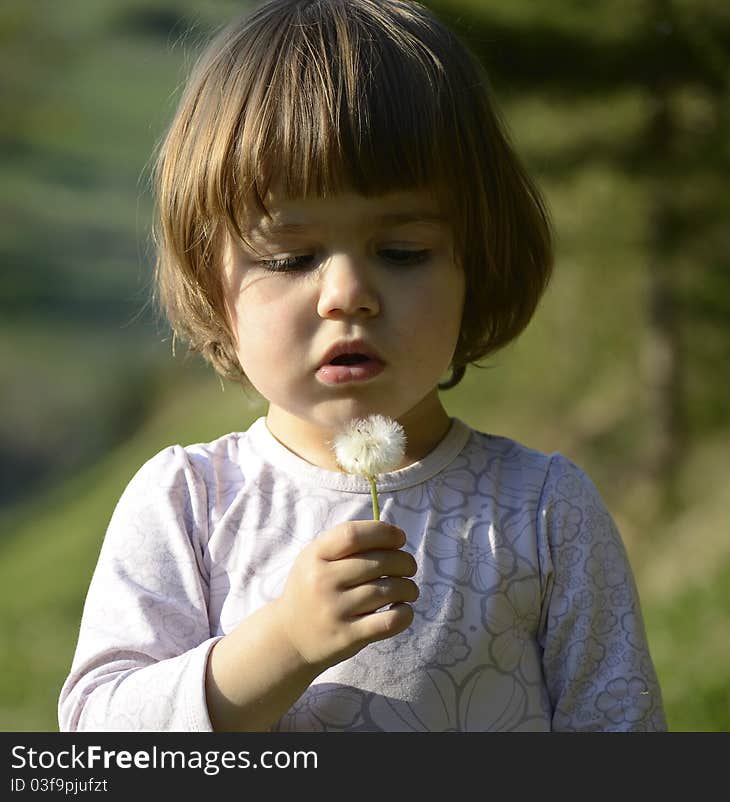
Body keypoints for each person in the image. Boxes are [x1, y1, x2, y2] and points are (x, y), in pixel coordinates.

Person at [58, 0, 667, 732]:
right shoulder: (191, 506)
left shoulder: (542, 511)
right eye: (290, 256)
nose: (347, 294)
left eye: (403, 252)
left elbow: (619, 723)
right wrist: (281, 643)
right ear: (208, 279)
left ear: (478, 264)